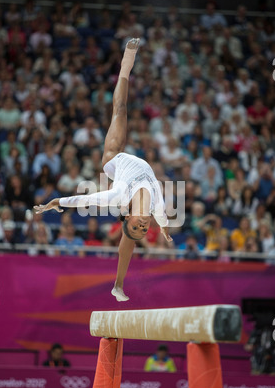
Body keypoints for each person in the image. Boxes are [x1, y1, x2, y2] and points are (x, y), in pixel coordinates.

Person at [34, 39, 172, 302]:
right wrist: (164, 230)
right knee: (132, 241)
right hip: (136, 169)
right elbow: (163, 219)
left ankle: (125, 64)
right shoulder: (156, 206)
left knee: (119, 110)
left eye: (136, 227)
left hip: (114, 159)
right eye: (144, 230)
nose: (143, 227)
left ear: (127, 218)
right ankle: (118, 286)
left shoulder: (117, 196)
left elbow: (83, 199)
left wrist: (57, 202)